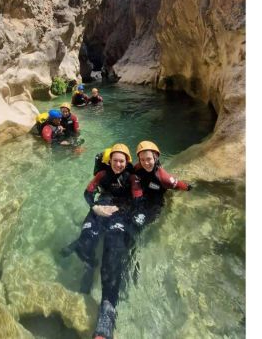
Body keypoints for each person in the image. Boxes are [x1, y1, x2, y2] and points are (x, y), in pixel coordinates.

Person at [60, 143, 142, 339]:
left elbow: (138, 201)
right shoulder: (102, 175)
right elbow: (88, 194)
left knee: (113, 252)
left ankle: (108, 308)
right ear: (110, 161)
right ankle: (89, 265)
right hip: (102, 205)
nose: (119, 164)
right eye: (115, 160)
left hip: (121, 211)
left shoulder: (132, 178)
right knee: (86, 242)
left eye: (122, 161)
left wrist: (124, 214)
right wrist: (96, 208)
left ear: (127, 162)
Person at [132, 141, 193, 229]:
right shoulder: (138, 167)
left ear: (155, 157)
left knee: (145, 222)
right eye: (142, 159)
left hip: (157, 196)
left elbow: (182, 186)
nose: (145, 163)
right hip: (144, 191)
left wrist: (190, 188)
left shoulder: (164, 177)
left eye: (149, 159)